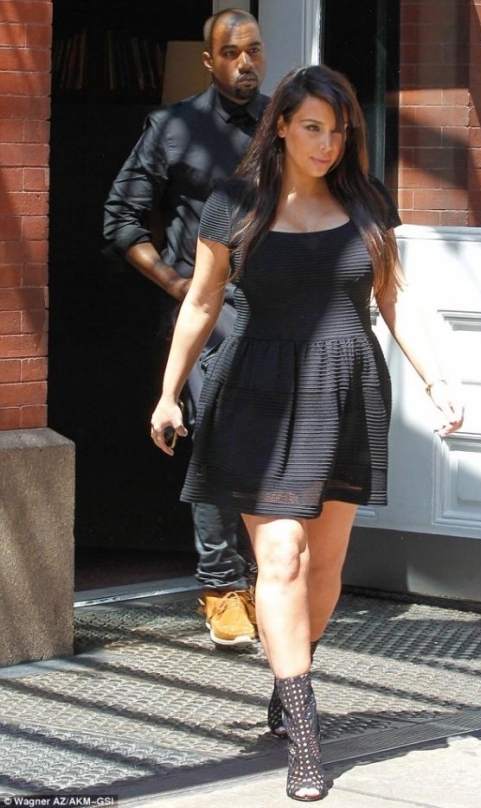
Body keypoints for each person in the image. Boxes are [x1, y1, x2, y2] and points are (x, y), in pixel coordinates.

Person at [150, 65, 464, 801]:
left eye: (338, 130)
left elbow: (394, 298)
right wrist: (168, 393)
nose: (326, 144)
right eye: (312, 127)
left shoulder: (365, 201)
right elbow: (201, 304)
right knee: (282, 557)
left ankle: (287, 676)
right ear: (282, 127)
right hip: (257, 393)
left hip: (345, 392)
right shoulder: (235, 206)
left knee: (324, 569)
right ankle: (306, 733)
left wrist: (437, 379)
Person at [103, 9, 269, 649]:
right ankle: (223, 587)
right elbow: (121, 219)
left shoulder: (282, 126)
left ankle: (266, 581)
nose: (245, 63)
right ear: (209, 60)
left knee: (275, 445)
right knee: (217, 443)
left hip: (276, 310)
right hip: (206, 315)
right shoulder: (172, 128)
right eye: (231, 53)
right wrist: (177, 285)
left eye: (254, 50)